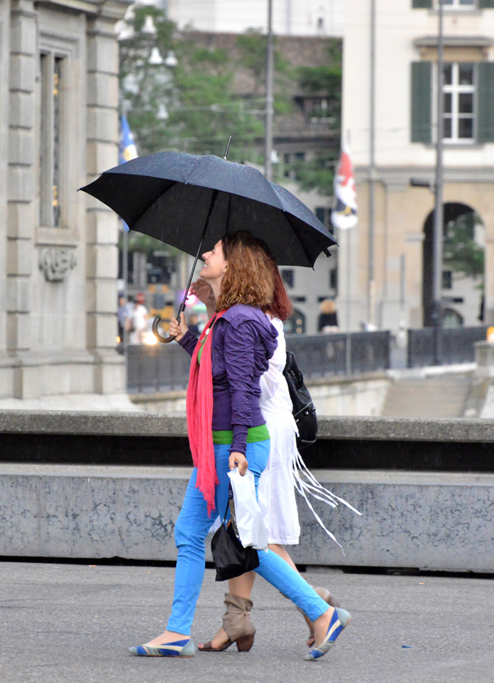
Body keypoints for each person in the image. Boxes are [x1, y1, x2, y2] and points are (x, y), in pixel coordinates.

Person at [129, 232, 350, 660]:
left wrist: (241, 448)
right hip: (221, 444)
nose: (204, 256)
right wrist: (186, 339)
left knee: (245, 543)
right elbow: (220, 375)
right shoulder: (228, 318)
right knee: (192, 533)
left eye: (211, 252)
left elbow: (244, 389)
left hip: (234, 446)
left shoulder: (241, 320)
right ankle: (176, 632)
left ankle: (320, 611)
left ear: (232, 266)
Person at [197, 267, 358, 654]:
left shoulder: (260, 323)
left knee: (254, 531)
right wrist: (208, 310)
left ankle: (313, 606)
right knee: (247, 526)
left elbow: (244, 382)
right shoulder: (243, 318)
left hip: (259, 429)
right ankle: (240, 618)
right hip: (258, 427)